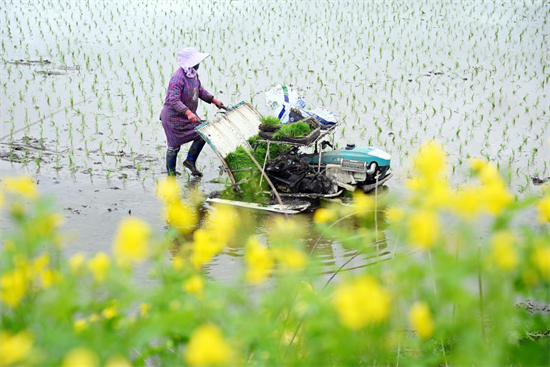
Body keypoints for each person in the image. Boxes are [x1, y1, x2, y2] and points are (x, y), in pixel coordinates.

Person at [160, 47, 224, 177]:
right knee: (174, 146)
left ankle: (190, 160)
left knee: (203, 131)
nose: (198, 64)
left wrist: (213, 100)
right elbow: (173, 99)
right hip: (173, 118)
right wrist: (188, 112)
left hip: (185, 116)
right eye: (196, 62)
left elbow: (199, 90)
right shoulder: (178, 78)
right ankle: (171, 175)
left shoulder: (193, 75)